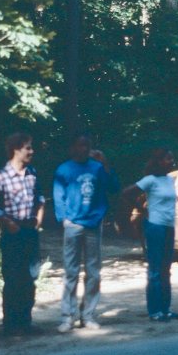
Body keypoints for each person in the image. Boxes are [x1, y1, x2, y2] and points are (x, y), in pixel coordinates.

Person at [52, 132, 119, 332]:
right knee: (71, 272)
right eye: (79, 145)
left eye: (86, 146)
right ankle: (68, 317)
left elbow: (113, 187)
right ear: (72, 148)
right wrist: (63, 219)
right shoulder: (64, 169)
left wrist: (105, 163)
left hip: (93, 224)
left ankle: (88, 315)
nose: (83, 149)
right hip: (73, 224)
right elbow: (58, 195)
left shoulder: (97, 167)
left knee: (93, 272)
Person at [0, 132, 46, 336]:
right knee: (12, 278)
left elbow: (40, 198)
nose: (32, 151)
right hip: (12, 233)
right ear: (16, 149)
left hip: (30, 231)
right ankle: (11, 325)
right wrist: (7, 222)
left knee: (30, 278)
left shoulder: (32, 173)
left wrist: (39, 218)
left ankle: (26, 321)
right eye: (28, 147)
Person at [120, 148, 178, 322]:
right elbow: (126, 193)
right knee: (155, 269)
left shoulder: (170, 180)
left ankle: (166, 309)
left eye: (172, 158)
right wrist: (141, 209)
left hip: (169, 226)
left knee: (166, 269)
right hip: (155, 226)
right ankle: (154, 311)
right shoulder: (150, 180)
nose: (172, 161)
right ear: (159, 161)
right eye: (168, 159)